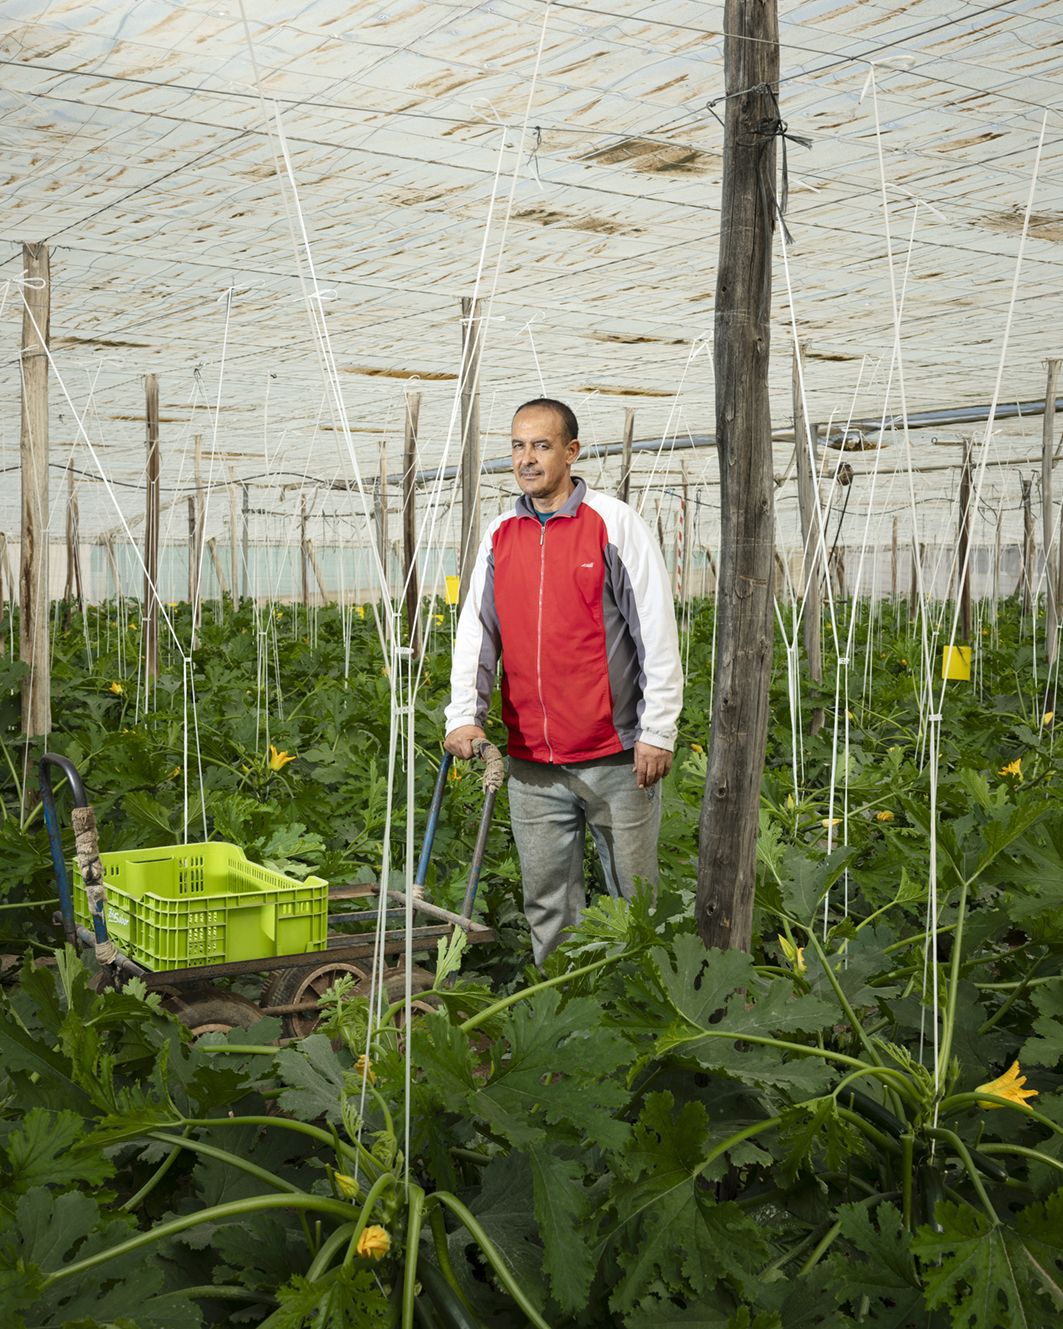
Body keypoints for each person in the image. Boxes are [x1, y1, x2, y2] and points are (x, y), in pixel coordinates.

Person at [444, 397, 683, 963]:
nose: (527, 458)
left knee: (635, 901)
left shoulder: (613, 523)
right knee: (548, 902)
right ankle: (569, 1013)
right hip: (531, 765)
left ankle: (645, 1010)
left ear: (571, 452)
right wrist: (463, 717)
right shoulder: (500, 534)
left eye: (542, 445)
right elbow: (477, 633)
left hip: (616, 755)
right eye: (518, 446)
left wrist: (659, 729)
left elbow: (656, 629)